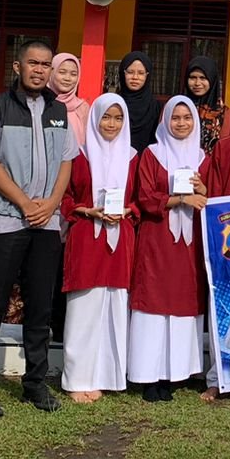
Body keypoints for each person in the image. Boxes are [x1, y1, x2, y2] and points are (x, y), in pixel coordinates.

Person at [0, 38, 77, 418]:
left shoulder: (59, 111)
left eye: (45, 65)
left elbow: (67, 163)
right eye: (32, 63)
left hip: (46, 223)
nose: (39, 70)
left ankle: (36, 382)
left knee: (40, 306)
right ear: (17, 66)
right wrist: (23, 201)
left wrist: (49, 205)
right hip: (4, 220)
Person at [128, 97, 208, 402]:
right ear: (165, 121)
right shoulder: (152, 154)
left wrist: (203, 191)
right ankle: (149, 376)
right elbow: (145, 197)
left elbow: (210, 199)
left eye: (187, 118)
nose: (182, 123)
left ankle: (175, 374)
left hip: (189, 246)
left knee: (182, 305)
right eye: (175, 118)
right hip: (158, 239)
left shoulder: (202, 158)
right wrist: (179, 200)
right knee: (154, 305)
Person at [60, 93, 137, 403]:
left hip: (120, 242)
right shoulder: (79, 156)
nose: (112, 124)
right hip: (87, 241)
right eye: (106, 117)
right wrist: (87, 211)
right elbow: (64, 198)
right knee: (83, 312)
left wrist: (129, 211)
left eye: (118, 118)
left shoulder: (133, 157)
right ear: (95, 118)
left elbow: (140, 199)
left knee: (114, 309)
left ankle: (107, 376)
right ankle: (77, 378)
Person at [184, 54, 230, 154]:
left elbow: (225, 148)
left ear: (212, 80)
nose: (197, 83)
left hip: (210, 167)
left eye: (203, 78)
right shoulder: (176, 107)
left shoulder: (223, 113)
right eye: (193, 77)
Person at [117, 52, 162, 153]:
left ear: (148, 75)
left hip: (146, 164)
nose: (135, 77)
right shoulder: (115, 105)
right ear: (122, 73)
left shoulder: (156, 108)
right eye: (130, 72)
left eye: (141, 73)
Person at [51, 53, 91, 150]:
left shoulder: (82, 107)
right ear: (51, 72)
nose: (67, 78)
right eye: (62, 72)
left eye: (73, 74)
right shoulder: (41, 103)